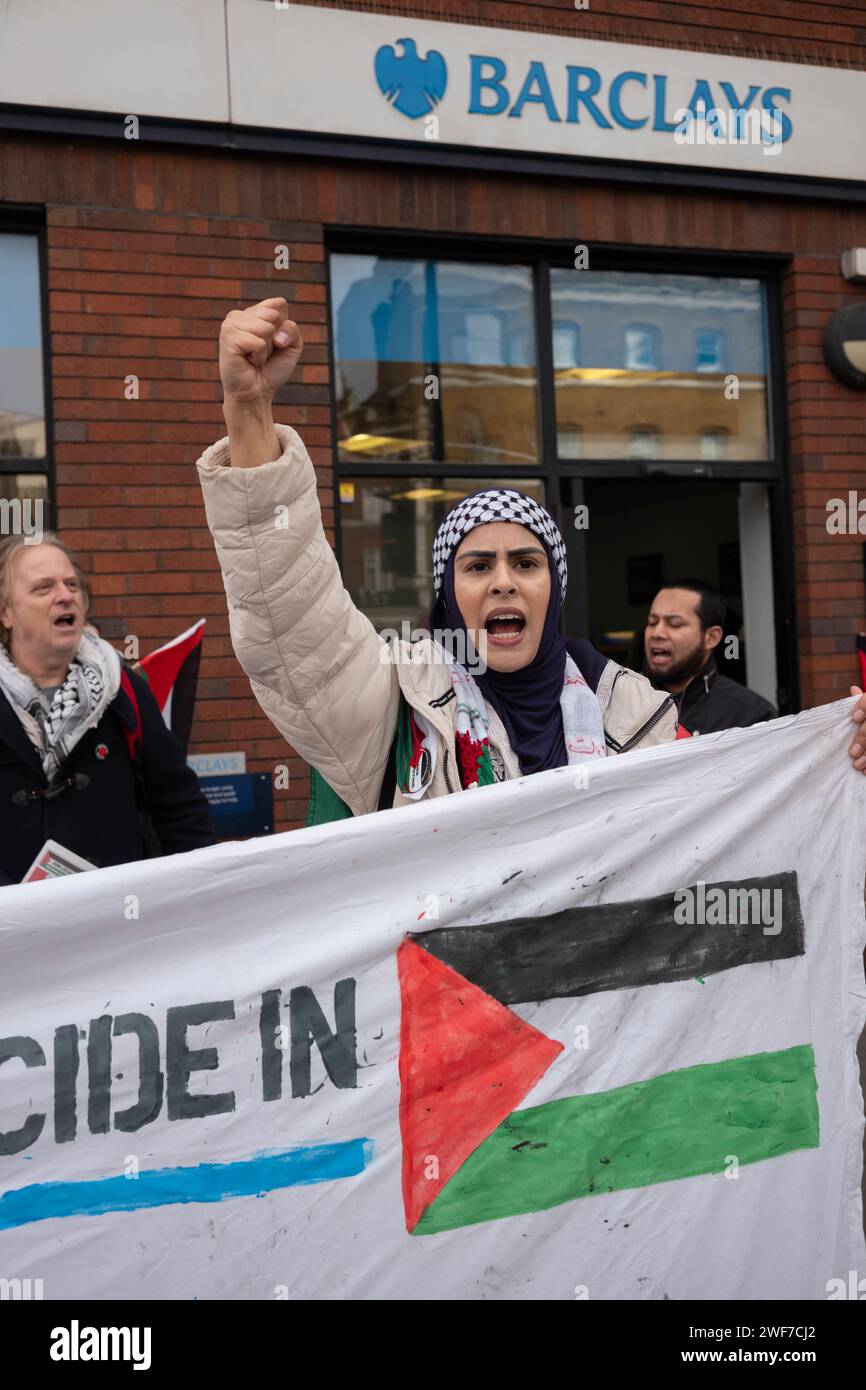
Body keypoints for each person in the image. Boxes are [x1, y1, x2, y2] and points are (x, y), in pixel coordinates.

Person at [196, 298, 866, 815]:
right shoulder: (395, 711)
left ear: (555, 589)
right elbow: (292, 620)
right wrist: (249, 409)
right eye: (477, 566)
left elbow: (746, 821)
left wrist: (846, 752)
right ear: (447, 595)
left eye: (526, 563)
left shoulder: (635, 714)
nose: (503, 584)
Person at [0, 533, 216, 885]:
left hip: (119, 919)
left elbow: (179, 807)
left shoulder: (123, 688)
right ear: (5, 612)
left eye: (72, 584)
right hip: (13, 929)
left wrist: (205, 893)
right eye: (44, 588)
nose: (65, 595)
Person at [645, 580, 776, 735]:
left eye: (675, 624)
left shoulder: (752, 717)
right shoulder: (617, 701)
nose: (657, 633)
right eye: (652, 622)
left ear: (711, 637)